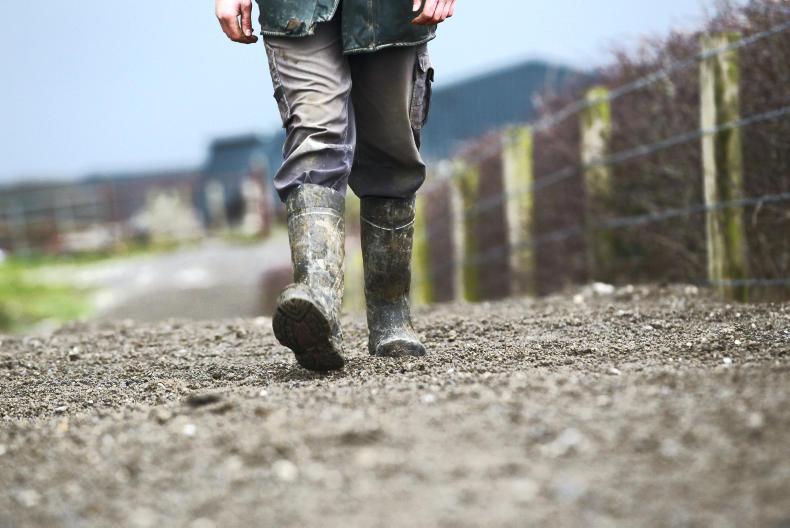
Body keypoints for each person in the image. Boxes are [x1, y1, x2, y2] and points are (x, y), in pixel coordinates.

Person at [215, 0, 456, 371]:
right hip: (295, 9)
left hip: (391, 12)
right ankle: (318, 303)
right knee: (316, 138)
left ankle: (391, 312)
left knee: (392, 150)